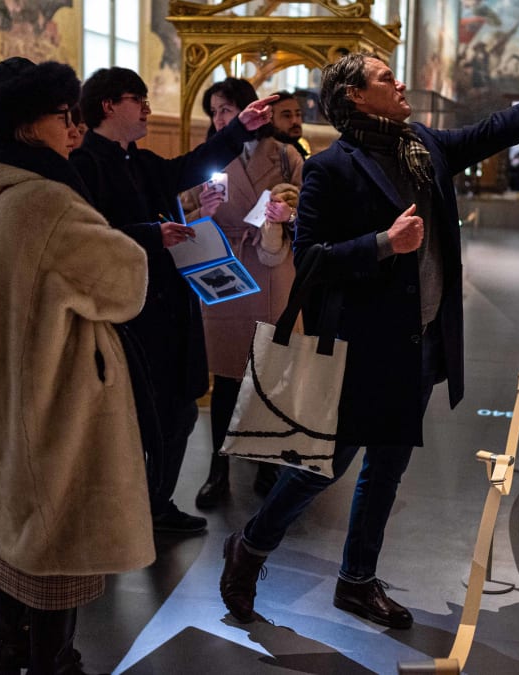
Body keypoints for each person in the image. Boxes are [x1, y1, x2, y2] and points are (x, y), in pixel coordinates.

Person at [220, 49, 519, 628]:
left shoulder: (421, 145)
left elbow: (500, 127)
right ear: (354, 97)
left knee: (386, 470)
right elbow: (311, 258)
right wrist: (382, 244)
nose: (400, 83)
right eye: (384, 78)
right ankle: (249, 549)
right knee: (321, 467)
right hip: (359, 350)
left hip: (418, 344)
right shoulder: (330, 168)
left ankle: (356, 581)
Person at [0, 57, 153, 674]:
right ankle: (53, 662)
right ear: (24, 124)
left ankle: (12, 651)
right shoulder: (46, 201)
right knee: (60, 543)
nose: (73, 129)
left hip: (5, 375)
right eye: (61, 117)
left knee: (18, 529)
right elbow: (126, 281)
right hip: (55, 389)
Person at [70, 67, 277, 536]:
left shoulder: (140, 162)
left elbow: (188, 166)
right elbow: (84, 239)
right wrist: (152, 234)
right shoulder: (85, 166)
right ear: (108, 106)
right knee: (133, 419)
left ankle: (153, 503)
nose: (146, 107)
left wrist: (238, 131)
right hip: (127, 315)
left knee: (180, 409)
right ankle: (128, 508)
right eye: (138, 99)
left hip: (168, 309)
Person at [181, 78, 304, 508]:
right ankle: (218, 471)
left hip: (272, 268)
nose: (220, 118)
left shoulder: (287, 155)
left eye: (227, 109)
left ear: (251, 109)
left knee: (268, 372)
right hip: (225, 267)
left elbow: (309, 213)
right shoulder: (206, 157)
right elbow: (180, 213)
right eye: (214, 111)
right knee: (228, 376)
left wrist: (288, 213)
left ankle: (266, 463)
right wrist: (201, 210)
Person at [270, 90, 311, 159]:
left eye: (298, 114)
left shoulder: (300, 150)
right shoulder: (265, 156)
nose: (294, 121)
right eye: (287, 116)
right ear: (271, 120)